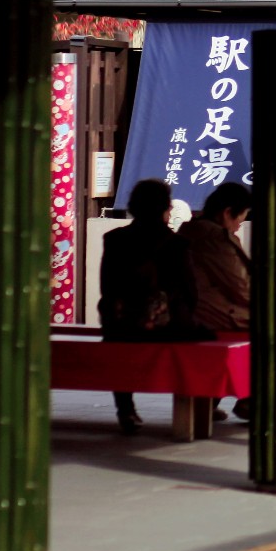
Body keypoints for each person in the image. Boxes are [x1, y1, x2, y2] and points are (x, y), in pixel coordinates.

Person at [99, 179, 197, 434]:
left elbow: (107, 287)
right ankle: (190, 409)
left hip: (121, 327)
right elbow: (189, 291)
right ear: (165, 209)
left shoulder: (114, 239)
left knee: (117, 340)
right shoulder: (178, 245)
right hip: (168, 328)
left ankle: (125, 408)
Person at [183, 181, 253, 421]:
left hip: (202, 311)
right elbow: (240, 287)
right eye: (238, 221)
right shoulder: (214, 237)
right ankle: (250, 399)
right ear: (226, 213)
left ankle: (212, 400)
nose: (237, 228)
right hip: (214, 314)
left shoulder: (193, 231)